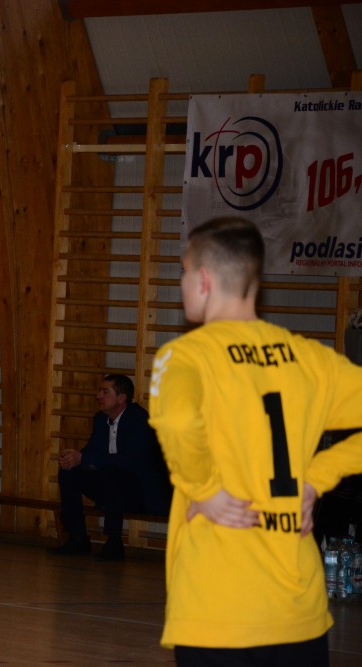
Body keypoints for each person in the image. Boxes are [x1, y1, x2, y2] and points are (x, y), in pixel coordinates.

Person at [148, 217, 362, 665]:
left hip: (219, 604)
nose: (181, 283)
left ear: (204, 280)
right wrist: (316, 479)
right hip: (298, 607)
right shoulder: (310, 358)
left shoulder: (185, 356)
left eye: (183, 272)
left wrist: (205, 488)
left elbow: (179, 420)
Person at [50, 373, 170, 561]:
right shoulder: (101, 419)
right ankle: (77, 538)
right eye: (100, 391)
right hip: (112, 487)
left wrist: (85, 458)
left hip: (142, 492)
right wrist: (74, 459)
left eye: (105, 392)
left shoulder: (139, 420)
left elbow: (130, 461)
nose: (98, 396)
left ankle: (114, 542)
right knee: (69, 473)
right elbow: (92, 450)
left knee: (112, 473)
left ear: (121, 398)